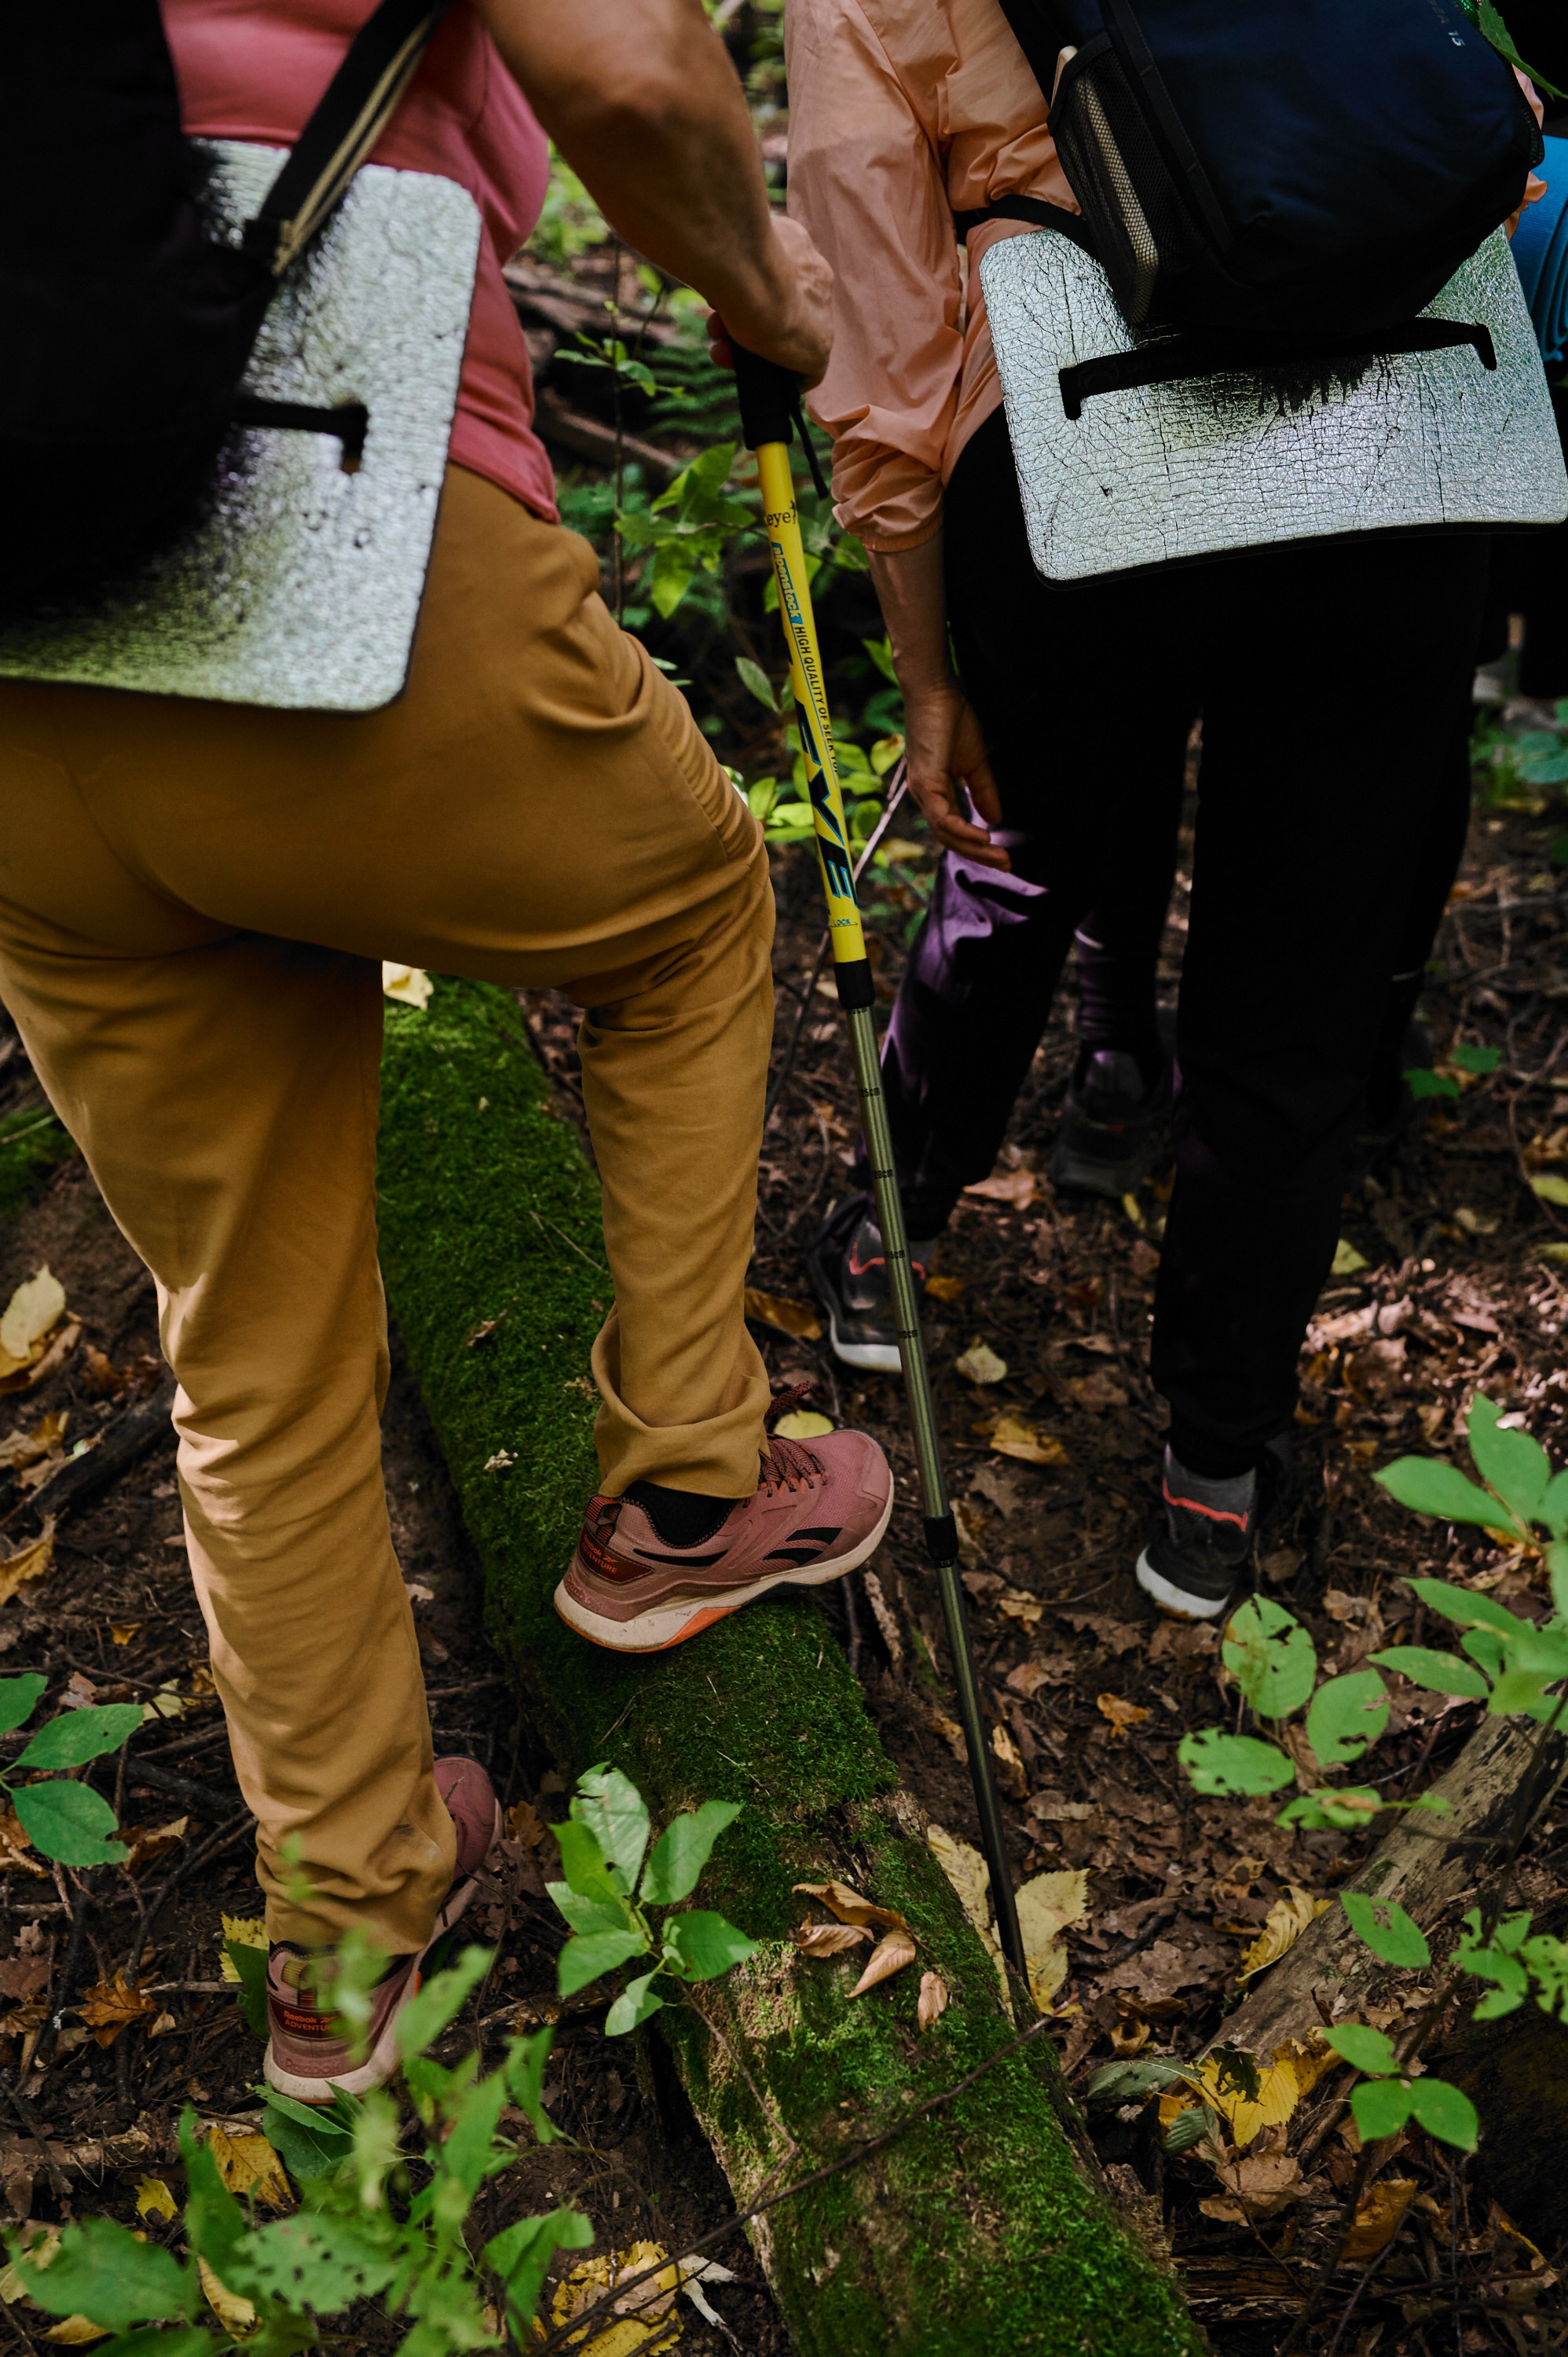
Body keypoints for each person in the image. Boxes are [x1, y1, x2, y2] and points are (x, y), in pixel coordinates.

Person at [0, 0, 893, 2102]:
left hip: (27, 662)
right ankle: (684, 1481)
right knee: (686, 912)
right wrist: (776, 299)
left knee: (248, 1335)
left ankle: (346, 1930)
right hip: (338, 528)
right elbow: (640, 79)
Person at [788, 0, 1510, 1621]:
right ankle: (1214, 1466)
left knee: (1017, 856)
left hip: (1084, 448)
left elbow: (888, 349)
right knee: (1301, 982)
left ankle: (890, 1239)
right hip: (1392, 441)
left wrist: (924, 674)